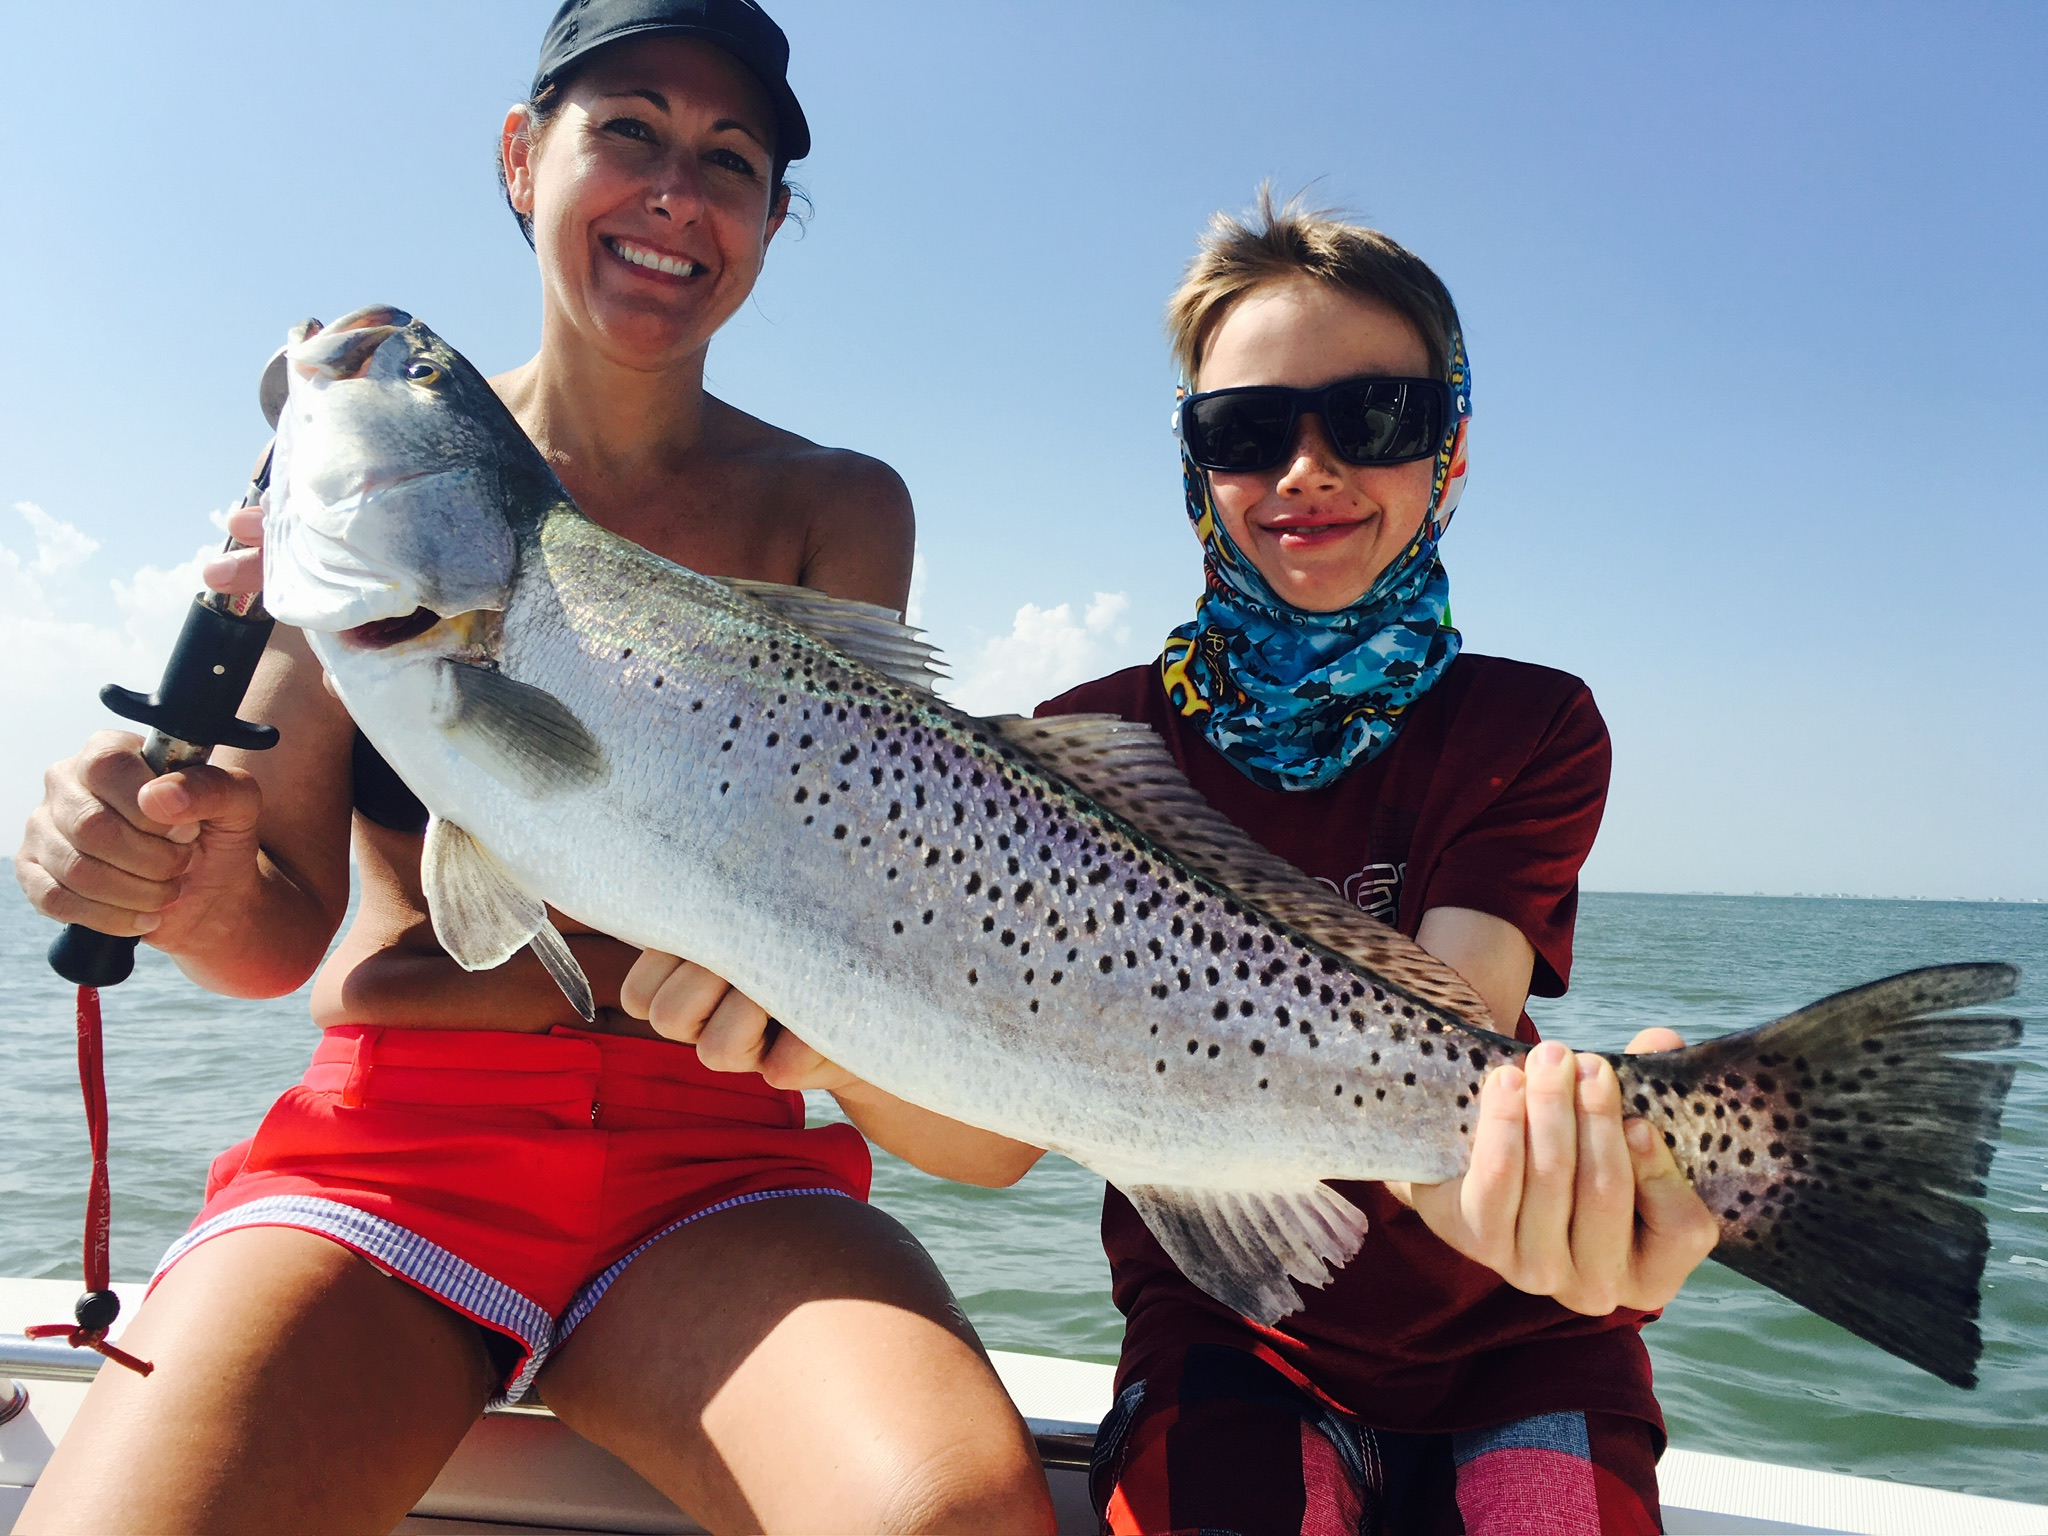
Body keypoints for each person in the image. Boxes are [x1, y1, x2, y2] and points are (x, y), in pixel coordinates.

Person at [11, 3, 1052, 1532]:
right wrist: (163, 870)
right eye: (627, 129)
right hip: (394, 1157)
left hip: (718, 1163)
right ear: (523, 154)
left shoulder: (836, 502)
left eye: (732, 161)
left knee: (953, 1517)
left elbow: (824, 879)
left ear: (769, 224)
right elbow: (278, 928)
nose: (675, 194)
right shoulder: (369, 476)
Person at [1017, 195, 1720, 1534]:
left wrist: (1587, 1210)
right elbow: (986, 1137)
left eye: (1375, 419)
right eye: (1245, 432)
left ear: (1450, 453)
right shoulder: (1083, 745)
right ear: (1192, 469)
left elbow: (1437, 1040)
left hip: (1524, 1340)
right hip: (1227, 1327)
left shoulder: (1533, 725)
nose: (1305, 469)